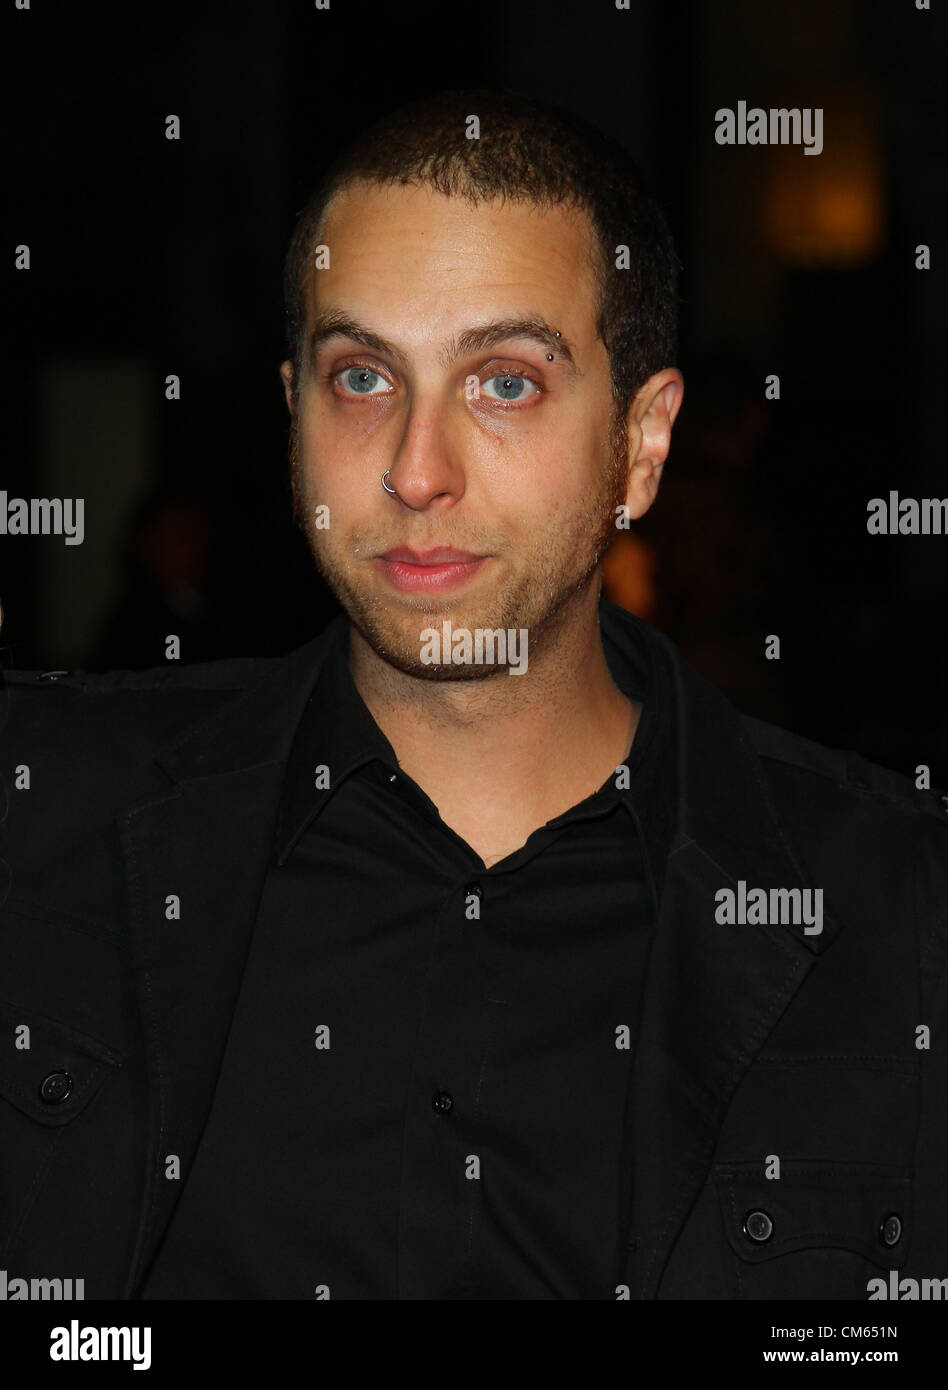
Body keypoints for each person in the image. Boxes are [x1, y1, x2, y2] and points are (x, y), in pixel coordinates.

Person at [1, 88, 945, 1302]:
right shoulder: (41, 818)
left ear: (643, 445)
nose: (415, 468)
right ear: (292, 415)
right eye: (361, 377)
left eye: (504, 382)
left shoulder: (898, 911)